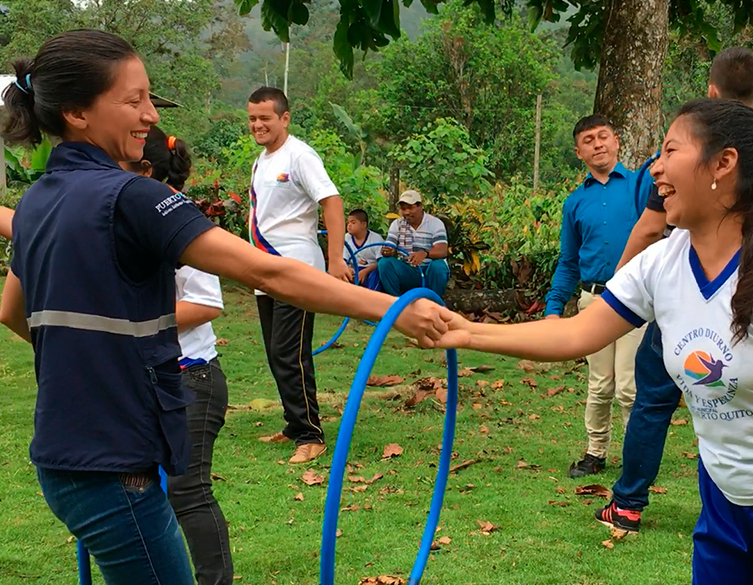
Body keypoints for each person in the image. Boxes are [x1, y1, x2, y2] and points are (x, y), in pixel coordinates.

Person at [0, 30, 447, 585]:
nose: (148, 115)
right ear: (75, 112)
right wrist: (391, 310)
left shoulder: (37, 199)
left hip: (60, 458)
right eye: (133, 100)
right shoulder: (133, 196)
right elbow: (266, 270)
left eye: (149, 99)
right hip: (116, 464)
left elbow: (13, 311)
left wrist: (87, 358)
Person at [435, 99, 753, 585]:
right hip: (725, 495)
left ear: (723, 163)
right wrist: (466, 332)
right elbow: (575, 332)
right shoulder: (663, 263)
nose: (655, 167)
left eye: (671, 149)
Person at [598, 46, 753, 532]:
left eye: (669, 152)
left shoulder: (692, 158)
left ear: (710, 93)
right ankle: (742, 504)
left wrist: (621, 290)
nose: (659, 166)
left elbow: (651, 229)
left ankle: (629, 501)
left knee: (653, 401)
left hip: (695, 301)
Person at [122, 126, 234, 585]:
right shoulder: (126, 214)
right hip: (141, 376)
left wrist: (137, 320)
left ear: (145, 169)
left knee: (187, 491)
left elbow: (208, 302)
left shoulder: (179, 219)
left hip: (191, 377)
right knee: (136, 488)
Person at [247, 86, 350, 464]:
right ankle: (294, 424)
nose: (257, 125)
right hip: (266, 270)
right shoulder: (261, 160)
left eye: (265, 118)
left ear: (285, 118)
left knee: (289, 353)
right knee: (277, 354)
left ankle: (311, 435)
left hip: (296, 267)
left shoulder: (301, 155)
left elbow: (332, 201)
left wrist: (335, 259)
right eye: (253, 118)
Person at [545, 114, 649, 479]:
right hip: (594, 300)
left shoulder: (640, 186)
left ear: (617, 141)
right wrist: (553, 308)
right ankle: (595, 452)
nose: (598, 144)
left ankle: (637, 458)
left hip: (635, 298)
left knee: (628, 385)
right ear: (579, 152)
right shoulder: (575, 202)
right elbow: (569, 261)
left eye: (603, 136)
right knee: (600, 382)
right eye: (588, 140)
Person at [379, 190, 449, 298]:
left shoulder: (435, 223)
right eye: (403, 209)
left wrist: (425, 253)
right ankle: (397, 302)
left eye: (410, 208)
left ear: (420, 206)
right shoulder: (397, 224)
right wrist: (387, 251)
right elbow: (389, 245)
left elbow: (442, 251)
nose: (407, 212)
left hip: (428, 271)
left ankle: (434, 302)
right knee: (384, 263)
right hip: (407, 270)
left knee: (439, 266)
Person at [344, 208, 383, 290]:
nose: (349, 225)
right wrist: (348, 268)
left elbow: (381, 262)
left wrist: (366, 271)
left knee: (376, 276)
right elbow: (343, 259)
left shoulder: (376, 239)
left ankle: (373, 298)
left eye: (353, 222)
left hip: (370, 270)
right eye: (348, 223)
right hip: (354, 270)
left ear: (363, 225)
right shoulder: (346, 238)